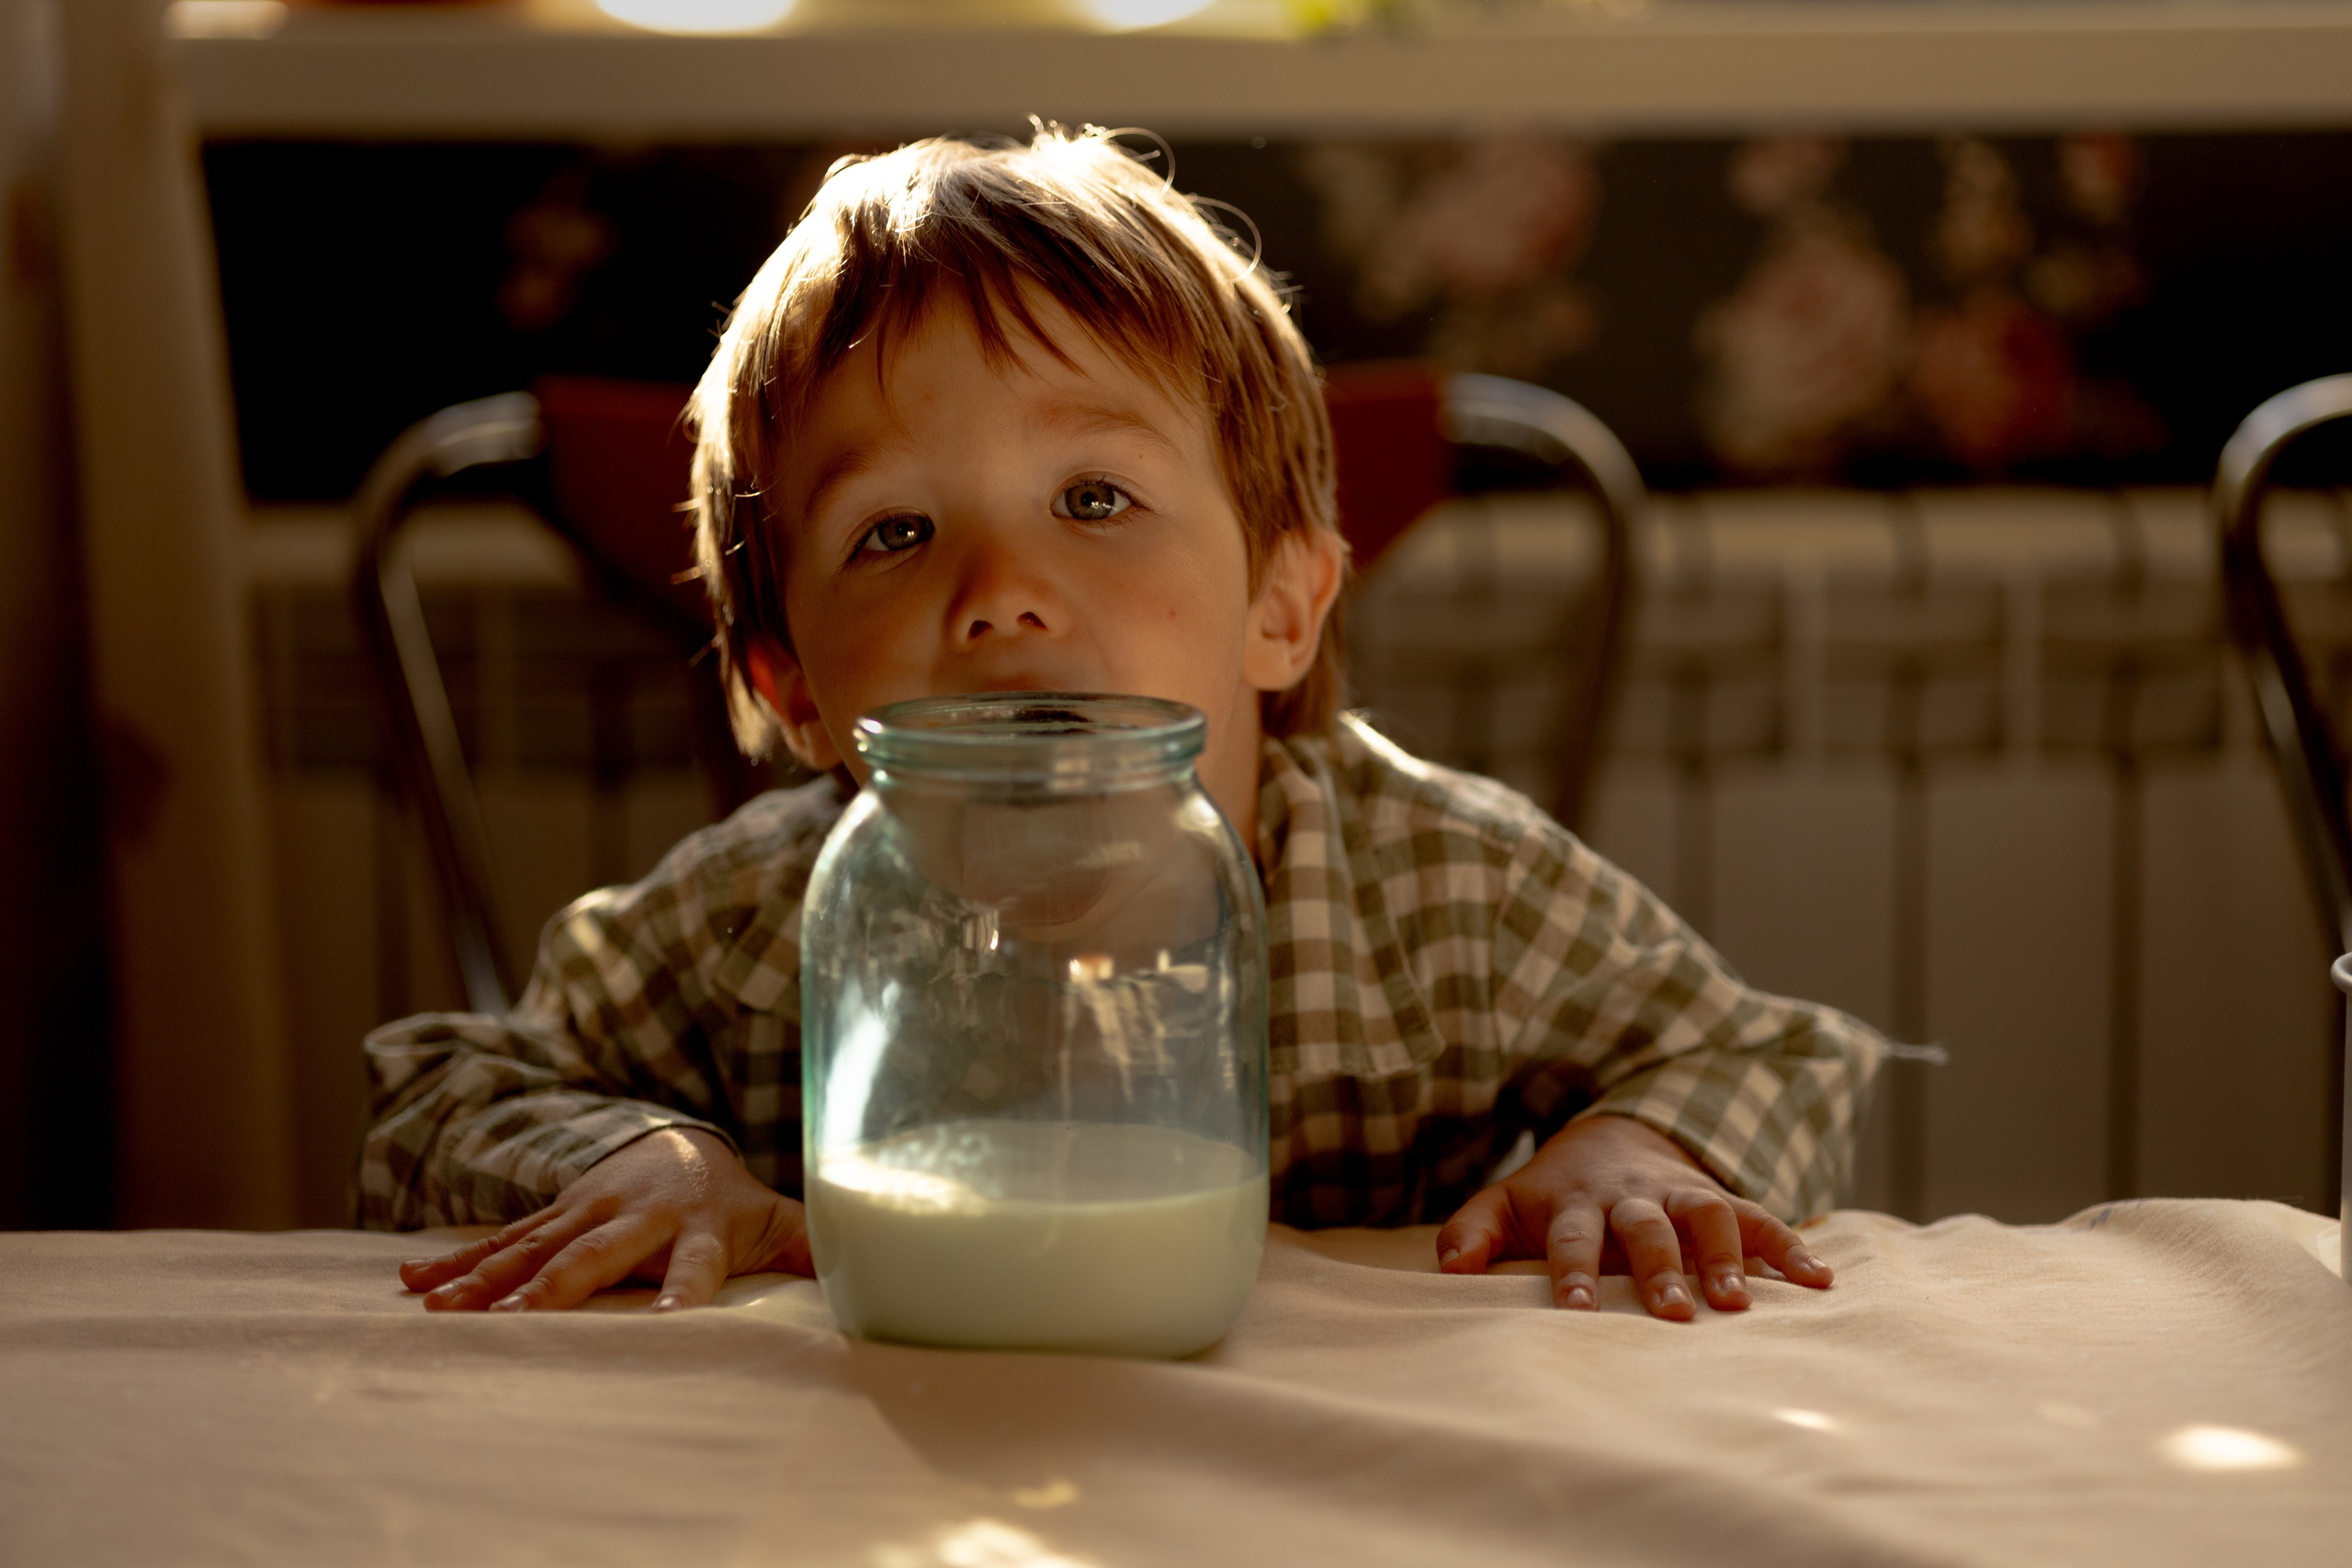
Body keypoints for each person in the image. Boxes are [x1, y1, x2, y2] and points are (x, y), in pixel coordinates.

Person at [372, 126, 1884, 1325]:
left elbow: (1768, 1052)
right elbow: (435, 1095)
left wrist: (1635, 1146)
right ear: (793, 690)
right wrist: (648, 1160)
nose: (1003, 593)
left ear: (1281, 607)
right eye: (895, 532)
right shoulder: (753, 923)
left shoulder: (1444, 894)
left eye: (1094, 498)